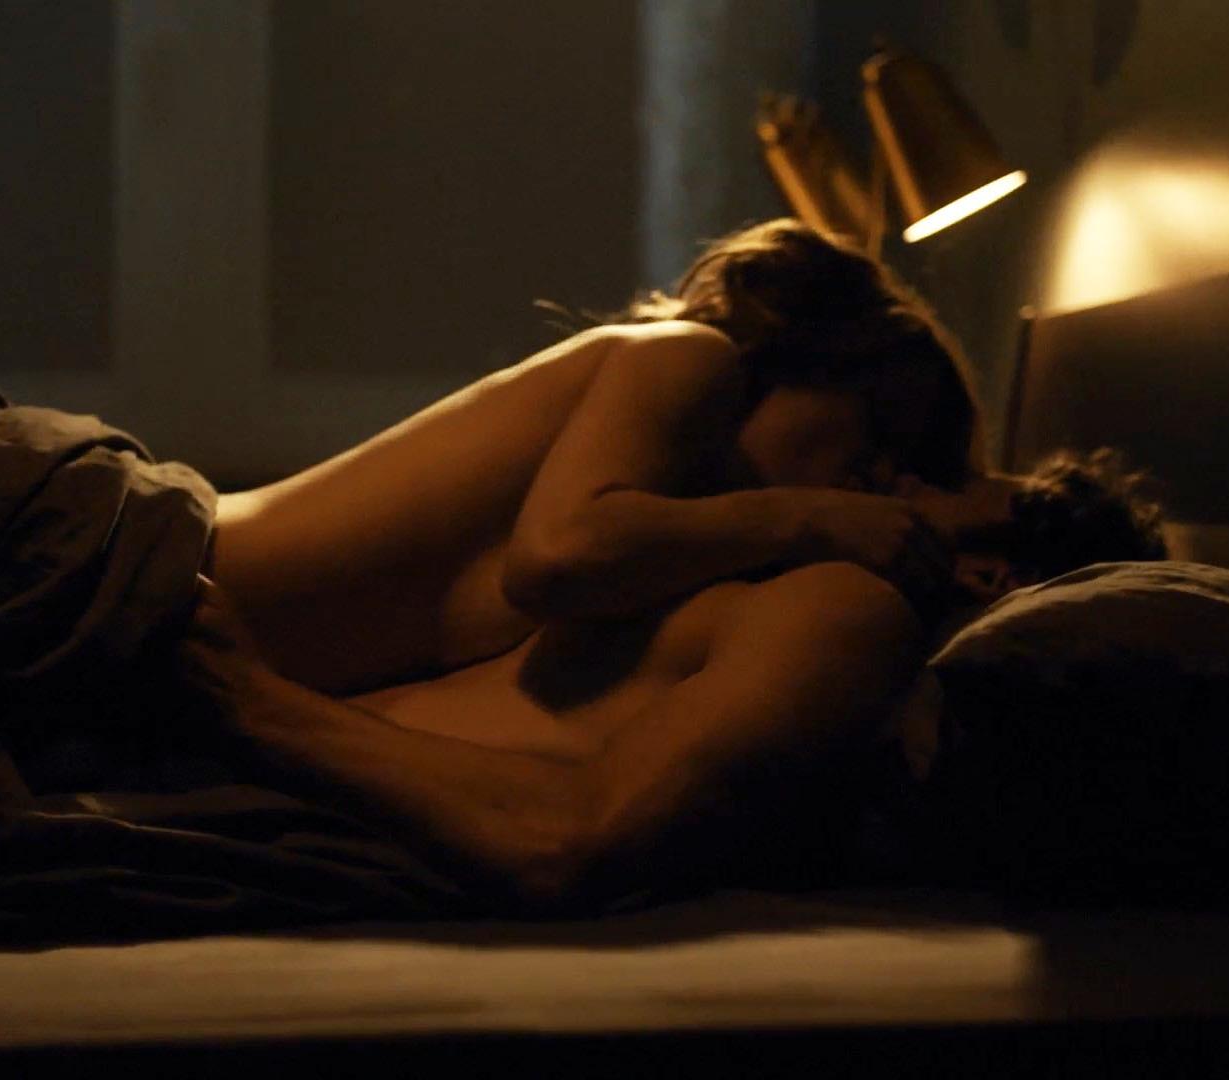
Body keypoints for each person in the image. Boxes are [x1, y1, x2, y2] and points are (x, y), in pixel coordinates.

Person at [188, 219, 1163, 913]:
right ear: (825, 361)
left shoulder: (734, 589)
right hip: (156, 553)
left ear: (991, 579)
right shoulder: (687, 365)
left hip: (172, 613)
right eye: (875, 453)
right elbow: (556, 560)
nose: (877, 494)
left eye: (896, 476)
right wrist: (802, 515)